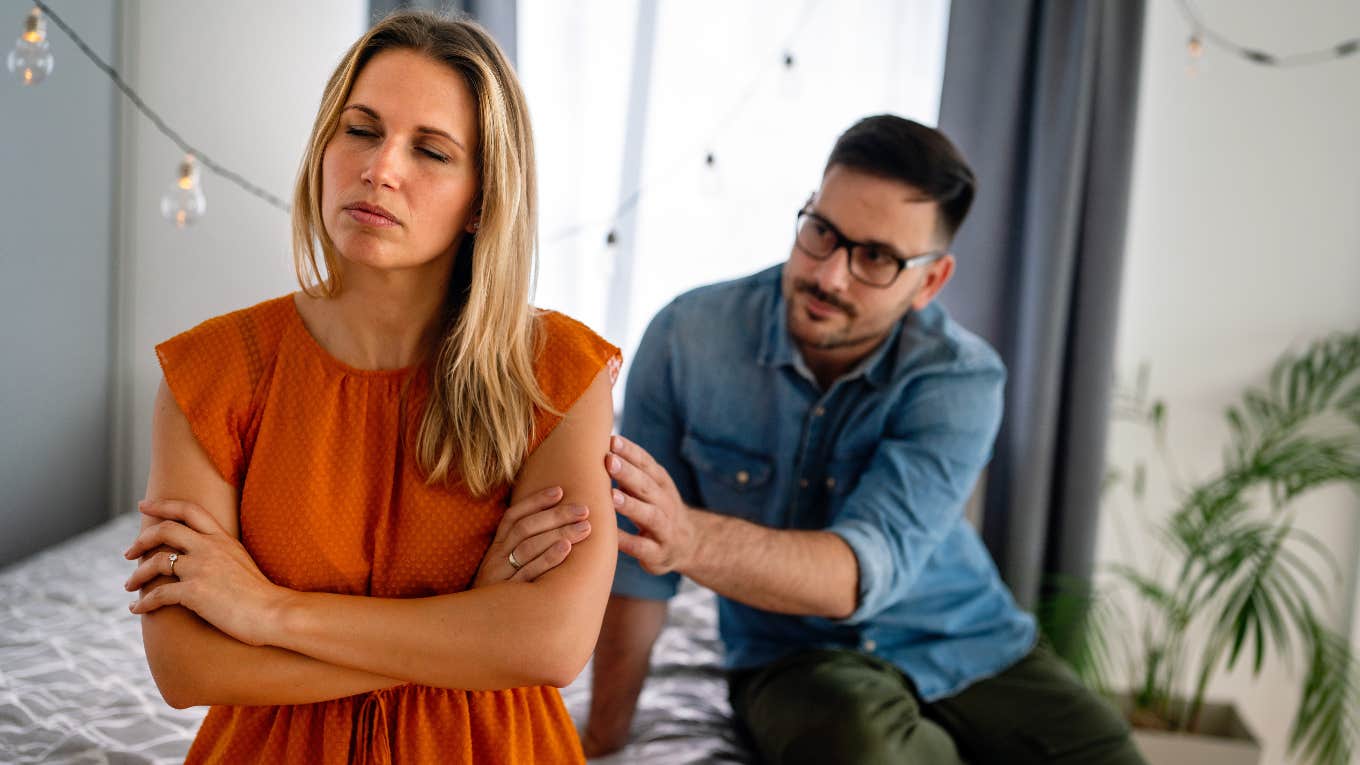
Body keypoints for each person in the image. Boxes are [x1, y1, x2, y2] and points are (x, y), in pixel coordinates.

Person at [121, 12, 618, 764]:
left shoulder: (558, 376)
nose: (380, 168)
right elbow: (188, 667)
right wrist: (474, 627)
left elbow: (549, 644)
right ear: (324, 146)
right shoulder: (212, 373)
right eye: (360, 129)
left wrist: (268, 611)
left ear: (483, 200)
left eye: (431, 150)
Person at [582, 115, 1145, 764]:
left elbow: (857, 570)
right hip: (794, 657)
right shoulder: (687, 339)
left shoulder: (960, 379)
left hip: (968, 639)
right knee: (864, 747)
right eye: (821, 232)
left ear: (929, 283)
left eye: (876, 257)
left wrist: (686, 537)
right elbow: (636, 572)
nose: (830, 276)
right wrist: (604, 740)